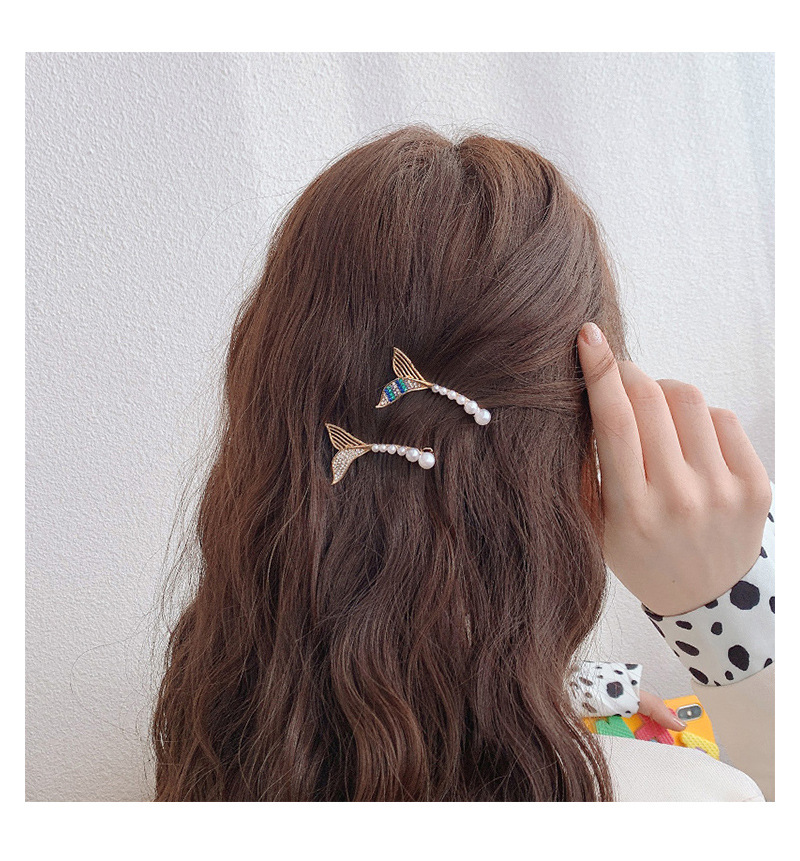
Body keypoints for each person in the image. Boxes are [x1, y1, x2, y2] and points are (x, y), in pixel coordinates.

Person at [152, 126, 773, 801]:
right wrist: (732, 623)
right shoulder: (686, 803)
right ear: (582, 440)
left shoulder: (223, 739)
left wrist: (553, 691)